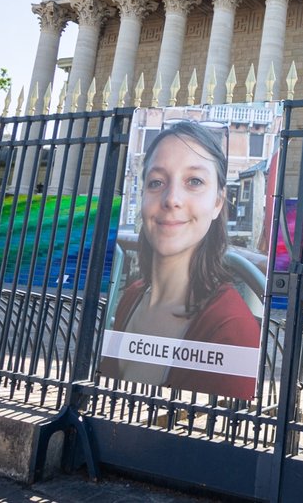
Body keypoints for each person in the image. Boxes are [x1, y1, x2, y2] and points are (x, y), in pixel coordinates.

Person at [99, 120, 260, 398]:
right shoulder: (131, 297)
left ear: (218, 203)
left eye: (194, 181)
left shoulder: (232, 327)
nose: (171, 199)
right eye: (157, 182)